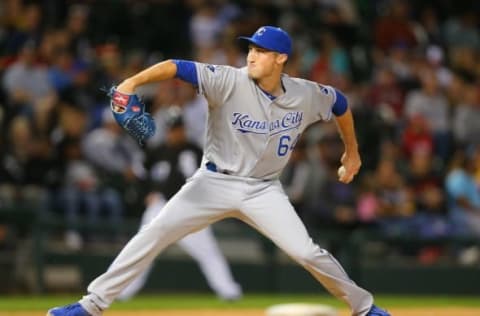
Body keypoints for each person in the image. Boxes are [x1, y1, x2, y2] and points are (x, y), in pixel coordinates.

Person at [47, 26, 390, 316]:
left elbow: (340, 104)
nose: (252, 55)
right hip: (213, 182)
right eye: (251, 49)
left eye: (261, 51)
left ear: (281, 58)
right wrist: (131, 83)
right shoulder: (227, 79)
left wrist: (352, 152)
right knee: (155, 232)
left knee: (306, 252)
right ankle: (90, 305)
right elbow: (174, 66)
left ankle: (365, 308)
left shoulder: (306, 94)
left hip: (263, 189)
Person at [117, 109, 242, 301]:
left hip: (190, 207)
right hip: (160, 207)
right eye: (172, 129)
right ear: (167, 130)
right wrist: (146, 193)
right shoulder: (156, 151)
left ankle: (229, 291)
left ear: (184, 128)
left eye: (179, 128)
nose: (176, 132)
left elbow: (211, 176)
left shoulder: (194, 150)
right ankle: (123, 291)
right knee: (142, 249)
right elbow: (139, 175)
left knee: (208, 251)